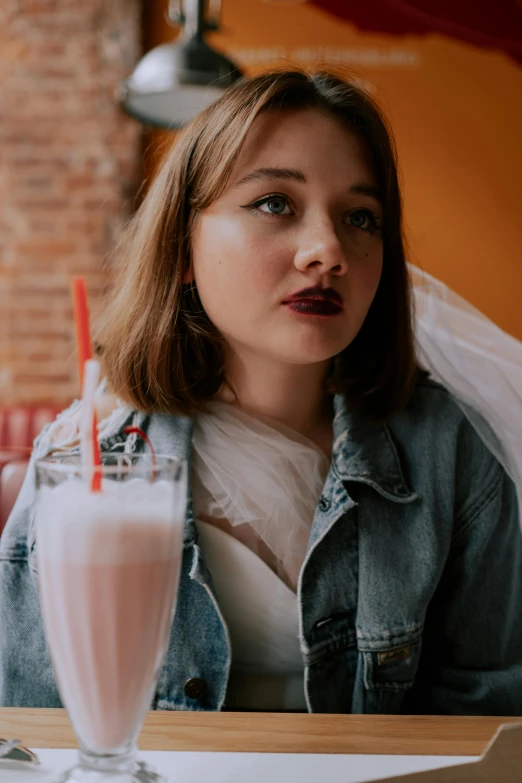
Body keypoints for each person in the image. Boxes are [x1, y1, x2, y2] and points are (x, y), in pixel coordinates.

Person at [1, 69, 522, 715]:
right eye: (275, 202)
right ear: (183, 246)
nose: (328, 250)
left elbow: (486, 723)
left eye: (362, 216)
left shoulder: (453, 455)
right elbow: (30, 730)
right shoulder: (86, 461)